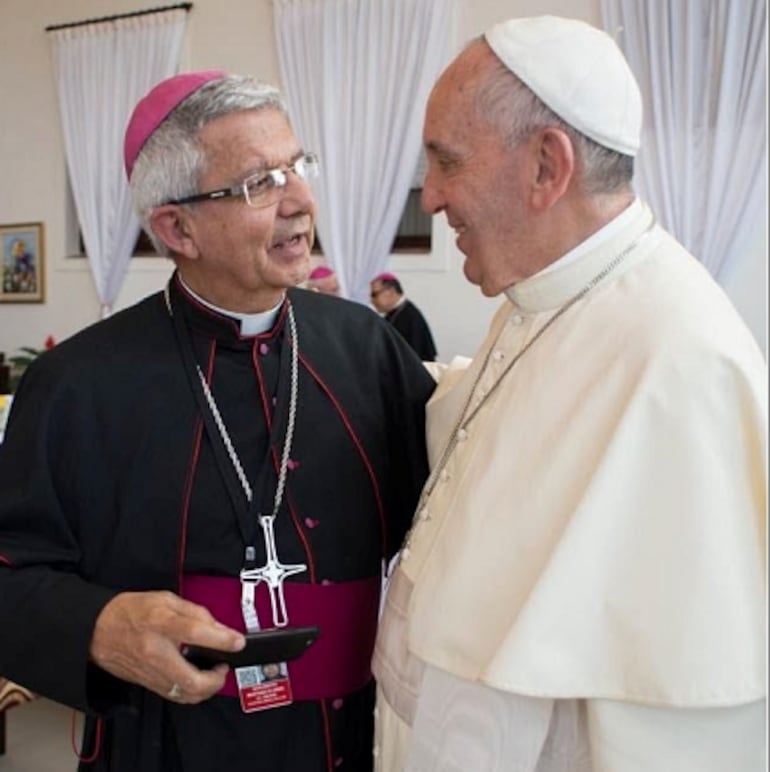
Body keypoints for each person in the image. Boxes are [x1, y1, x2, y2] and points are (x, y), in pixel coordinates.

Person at [0, 71, 436, 772]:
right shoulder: (76, 385)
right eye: (259, 183)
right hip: (166, 744)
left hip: (354, 739)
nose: (301, 200)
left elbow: (449, 518)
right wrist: (97, 626)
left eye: (298, 166)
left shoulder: (367, 348)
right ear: (177, 227)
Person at [373, 15, 767, 772]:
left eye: (447, 163)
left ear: (547, 167)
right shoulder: (544, 299)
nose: (431, 198)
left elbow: (681, 723)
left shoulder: (679, 360)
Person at [370, 273, 437, 361]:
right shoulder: (394, 313)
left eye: (374, 294)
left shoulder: (410, 317)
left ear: (390, 291)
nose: (372, 300)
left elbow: (415, 354)